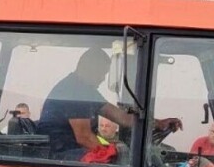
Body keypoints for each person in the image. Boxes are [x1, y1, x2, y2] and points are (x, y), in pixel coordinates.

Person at [38, 47, 181, 160]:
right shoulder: (75, 89)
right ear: (86, 67)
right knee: (119, 160)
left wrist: (158, 123)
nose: (102, 79)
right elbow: (83, 137)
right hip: (60, 153)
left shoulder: (86, 90)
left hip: (71, 149)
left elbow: (123, 118)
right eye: (101, 73)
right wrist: (116, 157)